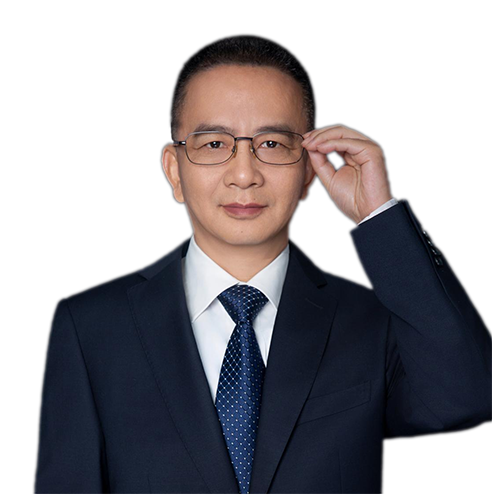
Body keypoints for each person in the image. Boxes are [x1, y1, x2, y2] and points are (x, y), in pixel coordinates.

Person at [34, 34, 492, 494]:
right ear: (174, 170)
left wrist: (379, 218)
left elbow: (468, 395)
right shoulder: (92, 328)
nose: (244, 174)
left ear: (309, 170)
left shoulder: (368, 321)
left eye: (271, 143)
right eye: (214, 144)